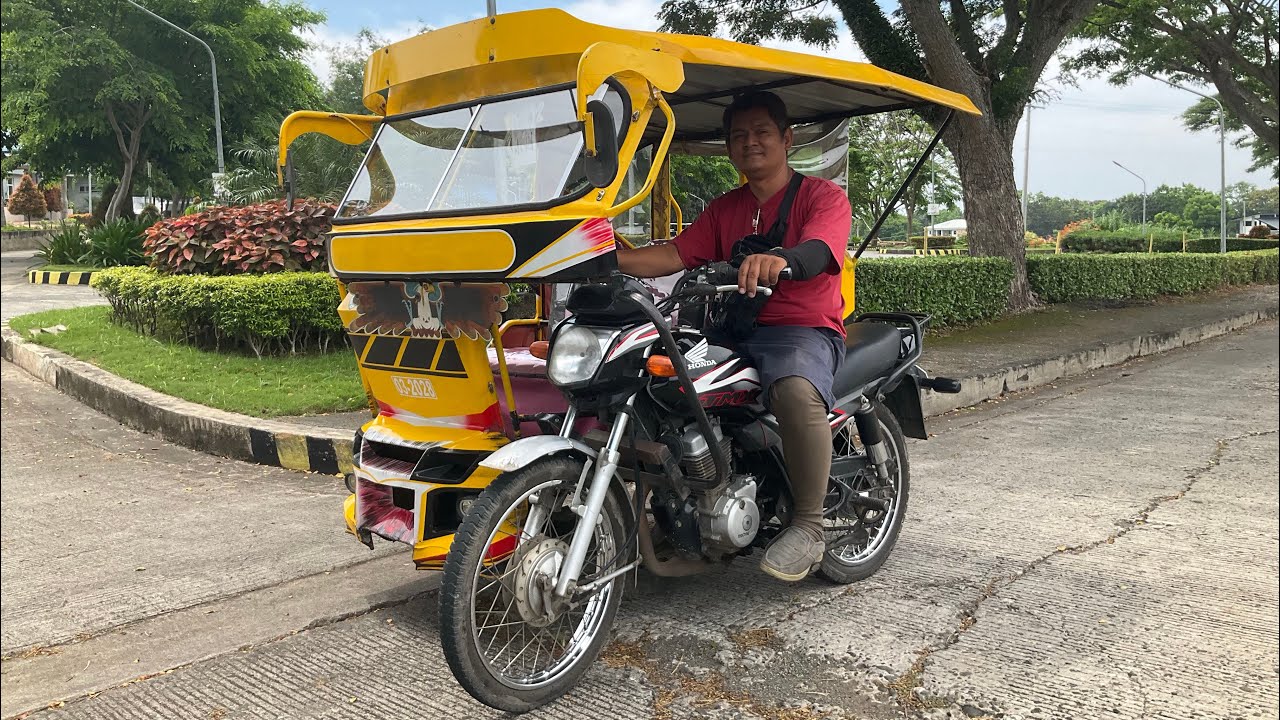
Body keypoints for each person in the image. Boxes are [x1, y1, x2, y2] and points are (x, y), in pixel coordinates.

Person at [616, 91, 852, 582]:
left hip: (800, 330)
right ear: (728, 147)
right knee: (658, 384)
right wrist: (606, 260)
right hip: (731, 328)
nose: (751, 143)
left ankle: (808, 526)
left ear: (786, 139)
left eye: (762, 132)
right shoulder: (726, 208)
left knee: (792, 389)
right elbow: (676, 255)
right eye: (739, 136)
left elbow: (818, 249)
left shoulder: (822, 197)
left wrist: (782, 259)